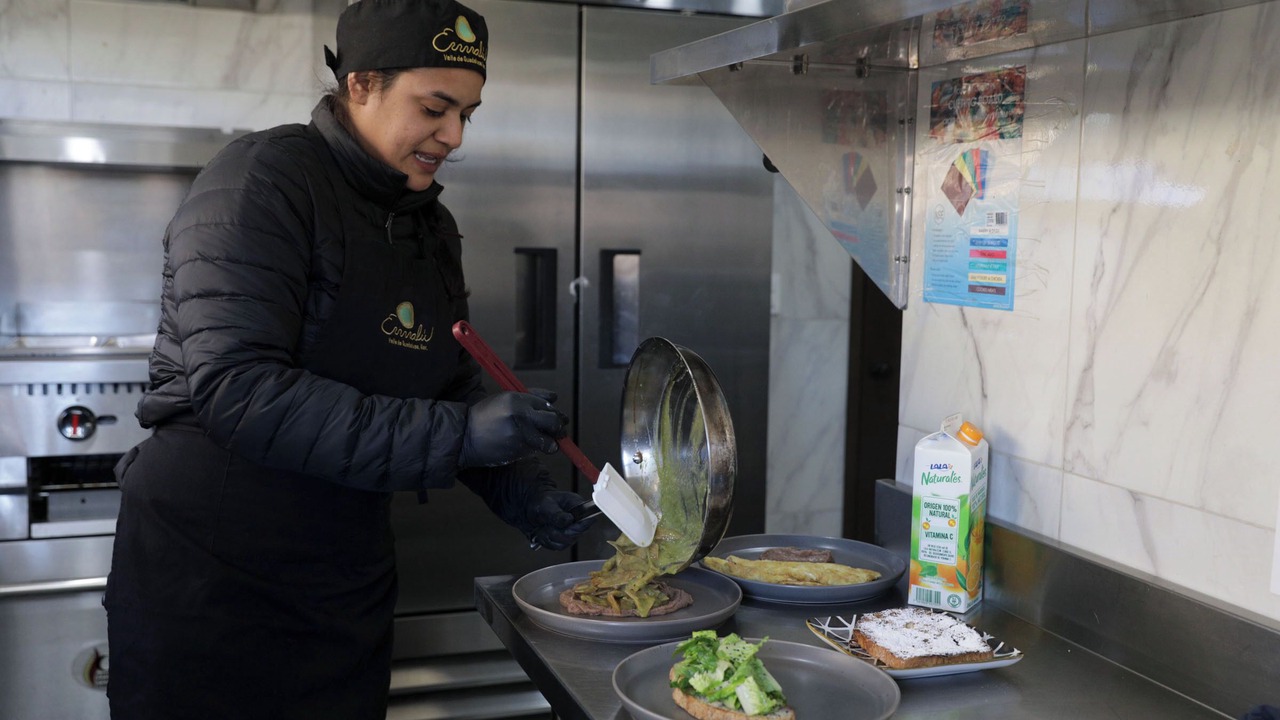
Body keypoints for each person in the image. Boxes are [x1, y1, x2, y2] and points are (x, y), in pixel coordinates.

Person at [102, 1, 594, 717]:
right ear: (361, 84)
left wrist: (515, 487)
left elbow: (445, 380)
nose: (453, 136)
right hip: (213, 578)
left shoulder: (429, 224)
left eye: (468, 114)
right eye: (435, 107)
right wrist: (462, 434)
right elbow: (240, 391)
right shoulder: (262, 181)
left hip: (343, 575)